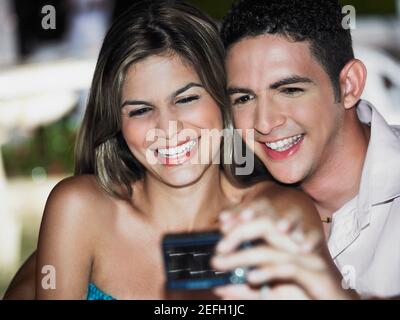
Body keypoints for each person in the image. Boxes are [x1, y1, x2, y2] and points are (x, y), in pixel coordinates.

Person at [4, 0, 330, 300]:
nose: (167, 127)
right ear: (116, 122)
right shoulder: (79, 209)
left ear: (223, 98)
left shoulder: (279, 215)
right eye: (141, 110)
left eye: (186, 99)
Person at [212, 0, 400, 299]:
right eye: (244, 98)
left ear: (349, 85)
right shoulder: (233, 207)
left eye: (289, 90)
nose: (264, 123)